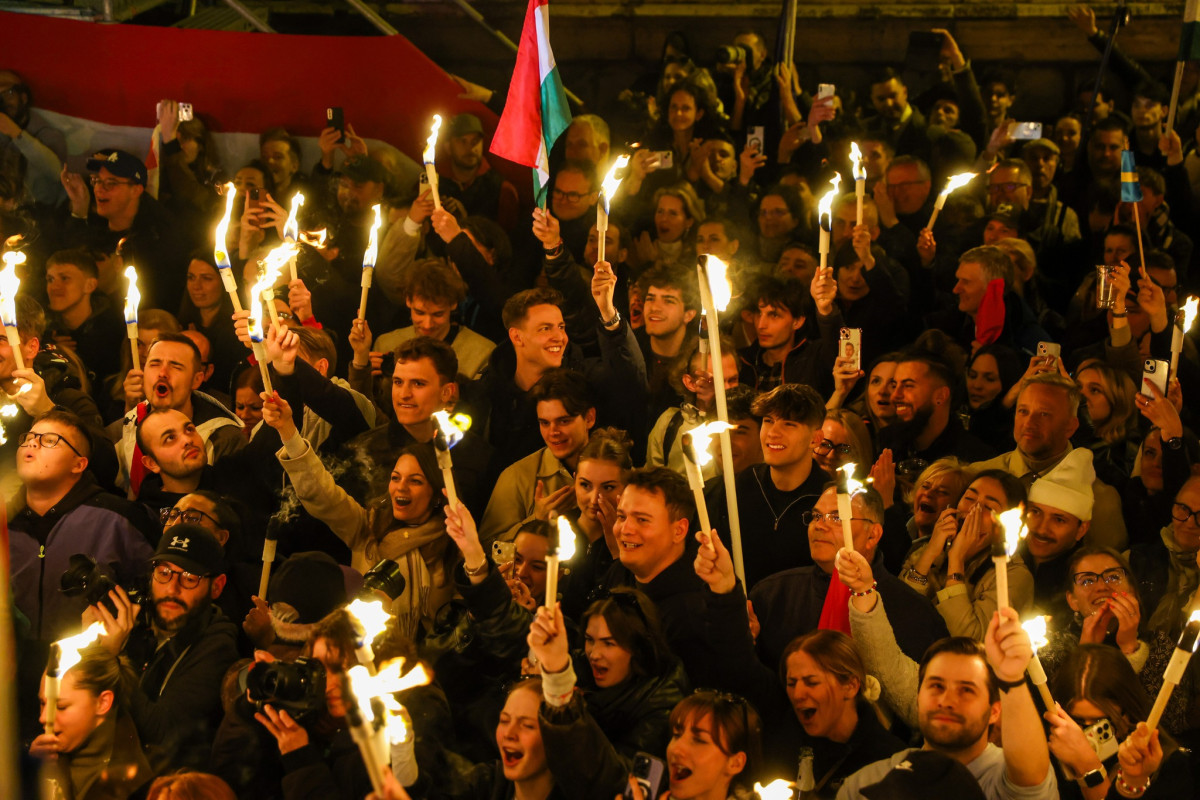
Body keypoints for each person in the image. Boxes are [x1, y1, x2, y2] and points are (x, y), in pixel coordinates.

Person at [263, 392, 458, 635]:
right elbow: (321, 492)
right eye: (395, 478)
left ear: (437, 494)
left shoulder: (452, 546)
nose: (401, 487)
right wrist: (288, 432)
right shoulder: (368, 526)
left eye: (415, 481)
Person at [836, 611, 1058, 798]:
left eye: (967, 690)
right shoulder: (863, 786)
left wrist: (1011, 676)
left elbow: (1031, 779)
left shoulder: (1004, 781)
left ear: (994, 711)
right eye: (936, 686)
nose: (946, 700)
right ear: (919, 696)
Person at [86, 523, 239, 771]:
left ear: (217, 586)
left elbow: (163, 733)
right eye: (164, 572)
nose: (171, 588)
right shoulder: (134, 621)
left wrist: (109, 657)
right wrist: (88, 644)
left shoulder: (217, 647)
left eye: (189, 578)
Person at [750, 484, 950, 671]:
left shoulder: (913, 611)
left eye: (837, 518)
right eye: (816, 516)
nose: (819, 525)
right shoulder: (773, 595)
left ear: (872, 535)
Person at [8, 408, 157, 645]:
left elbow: (155, 596)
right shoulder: (6, 523)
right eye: (28, 438)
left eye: (50, 440)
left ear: (78, 464)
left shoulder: (118, 520)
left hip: (91, 661)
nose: (32, 444)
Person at [526, 586, 689, 776]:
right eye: (590, 640)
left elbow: (618, 778)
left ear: (639, 648)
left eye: (609, 643)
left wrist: (562, 691)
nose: (594, 654)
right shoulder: (580, 668)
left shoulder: (661, 707)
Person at [1034, 547, 1195, 738]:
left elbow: (1170, 724)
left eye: (1113, 577)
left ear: (1132, 590)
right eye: (1087, 581)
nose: (1102, 586)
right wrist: (1084, 656)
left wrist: (1131, 650)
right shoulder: (1051, 647)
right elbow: (1048, 719)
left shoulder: (1159, 645)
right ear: (1072, 600)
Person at [971, 372, 1128, 551]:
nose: (1029, 423)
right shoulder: (977, 478)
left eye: (1044, 414)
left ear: (1070, 426)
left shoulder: (1098, 500)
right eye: (1023, 411)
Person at [709, 384, 829, 589]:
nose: (773, 433)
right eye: (768, 421)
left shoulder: (828, 497)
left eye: (789, 424)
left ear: (815, 439)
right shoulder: (742, 484)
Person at [1045, 644, 1194, 799]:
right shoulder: (1055, 750)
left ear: (1128, 708)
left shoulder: (1163, 764)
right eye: (1077, 721)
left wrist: (1088, 768)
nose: (1088, 732)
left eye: (1102, 723)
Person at [107, 332, 244, 497]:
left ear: (197, 380)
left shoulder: (225, 439)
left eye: (176, 366)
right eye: (154, 364)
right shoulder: (118, 434)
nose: (162, 373)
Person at [900, 470, 1033, 639]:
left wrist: (956, 561)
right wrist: (931, 551)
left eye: (989, 508)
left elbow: (970, 637)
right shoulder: (934, 548)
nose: (973, 510)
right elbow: (899, 608)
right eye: (969, 498)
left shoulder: (1014, 576)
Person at [480, 369, 597, 544]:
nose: (553, 432)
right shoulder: (517, 477)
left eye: (563, 421)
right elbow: (487, 549)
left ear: (589, 418)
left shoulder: (615, 469)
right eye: (544, 423)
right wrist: (537, 521)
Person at [60, 149, 189, 308]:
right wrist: (79, 209)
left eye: (111, 183)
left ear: (136, 190)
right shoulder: (96, 226)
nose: (99, 188)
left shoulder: (156, 241)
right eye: (97, 180)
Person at [31, 646, 155, 800]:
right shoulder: (44, 757)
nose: (43, 718)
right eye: (42, 703)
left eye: (61, 706)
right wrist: (30, 774)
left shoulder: (135, 786)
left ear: (103, 702)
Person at [372, 258, 496, 381]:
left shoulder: (481, 353)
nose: (427, 325)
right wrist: (362, 367)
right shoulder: (386, 344)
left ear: (453, 304)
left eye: (438, 314)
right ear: (408, 301)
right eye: (420, 313)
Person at [878, 351, 994, 467]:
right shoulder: (887, 442)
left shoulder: (973, 459)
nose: (895, 395)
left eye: (908, 385)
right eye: (894, 386)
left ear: (940, 396)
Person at [1018, 448, 1096, 621]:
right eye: (1036, 512)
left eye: (1059, 520)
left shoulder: (1083, 582)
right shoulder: (1006, 557)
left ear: (1081, 529)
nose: (1042, 529)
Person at [737, 274, 842, 396]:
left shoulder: (814, 359)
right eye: (759, 314)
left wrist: (826, 310)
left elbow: (840, 348)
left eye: (774, 315)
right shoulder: (743, 361)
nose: (761, 325)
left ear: (797, 322)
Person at [42, 246, 126, 390]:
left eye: (64, 278)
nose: (54, 287)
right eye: (50, 279)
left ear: (90, 285)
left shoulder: (114, 333)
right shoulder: (43, 333)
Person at [0, 69, 66, 205]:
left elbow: (57, 173)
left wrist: (16, 133)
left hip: (37, 210)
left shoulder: (48, 134)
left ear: (23, 98)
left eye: (9, 94)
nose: (4, 103)